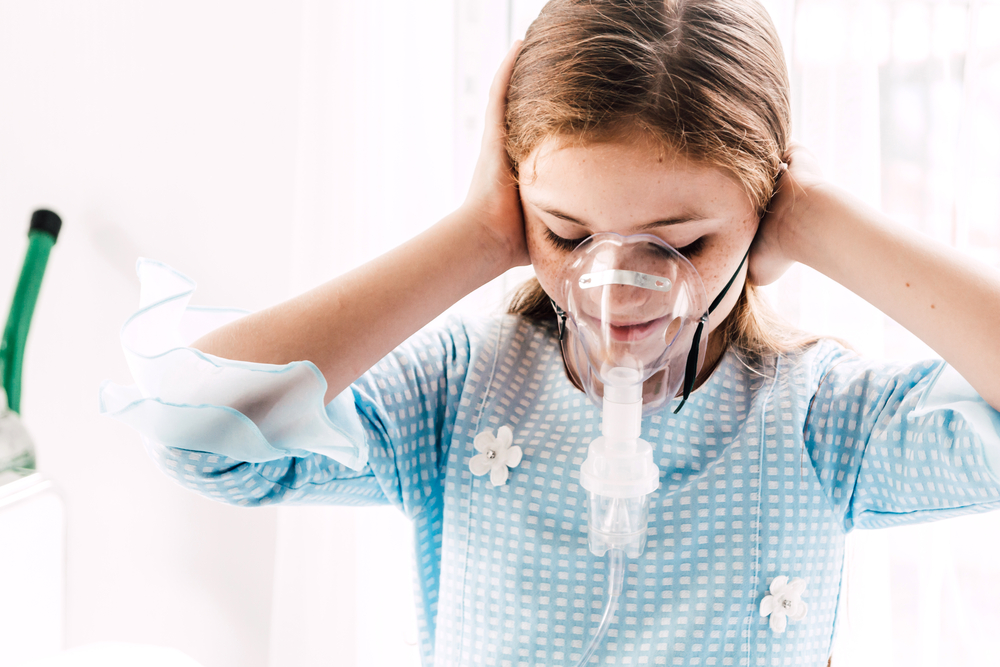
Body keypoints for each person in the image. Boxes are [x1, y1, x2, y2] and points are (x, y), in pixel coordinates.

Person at [99, 0, 1000, 665]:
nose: (620, 292)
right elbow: (196, 429)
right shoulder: (455, 394)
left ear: (763, 213)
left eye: (684, 243)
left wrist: (820, 221)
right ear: (519, 200)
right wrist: (475, 238)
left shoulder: (820, 422)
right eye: (568, 234)